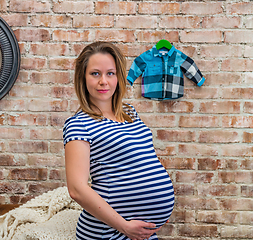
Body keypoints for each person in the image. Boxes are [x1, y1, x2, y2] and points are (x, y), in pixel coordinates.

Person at [63, 42, 174, 240]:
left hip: (141, 231)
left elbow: (143, 159)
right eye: (95, 73)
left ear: (119, 77)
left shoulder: (129, 112)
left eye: (110, 73)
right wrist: (124, 226)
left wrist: (157, 207)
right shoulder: (78, 124)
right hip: (108, 232)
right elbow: (76, 189)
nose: (103, 81)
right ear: (83, 77)